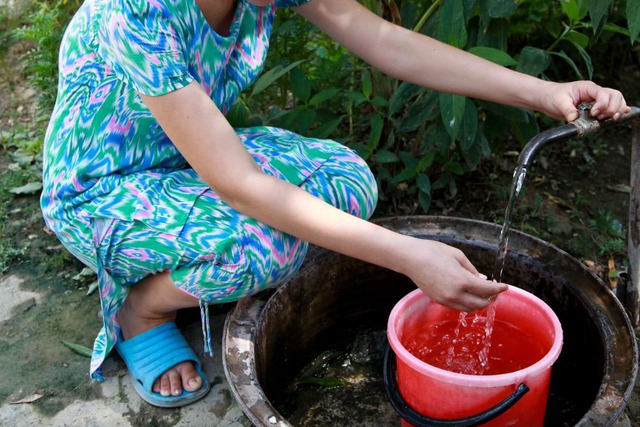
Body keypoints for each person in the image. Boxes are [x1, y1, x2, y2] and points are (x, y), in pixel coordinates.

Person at [41, 0, 630, 408]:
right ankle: (141, 307)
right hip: (104, 190)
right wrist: (406, 255)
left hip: (188, 157)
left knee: (348, 180)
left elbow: (381, 39)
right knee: (261, 245)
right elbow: (238, 183)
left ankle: (181, 264)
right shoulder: (135, 14)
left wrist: (542, 92)